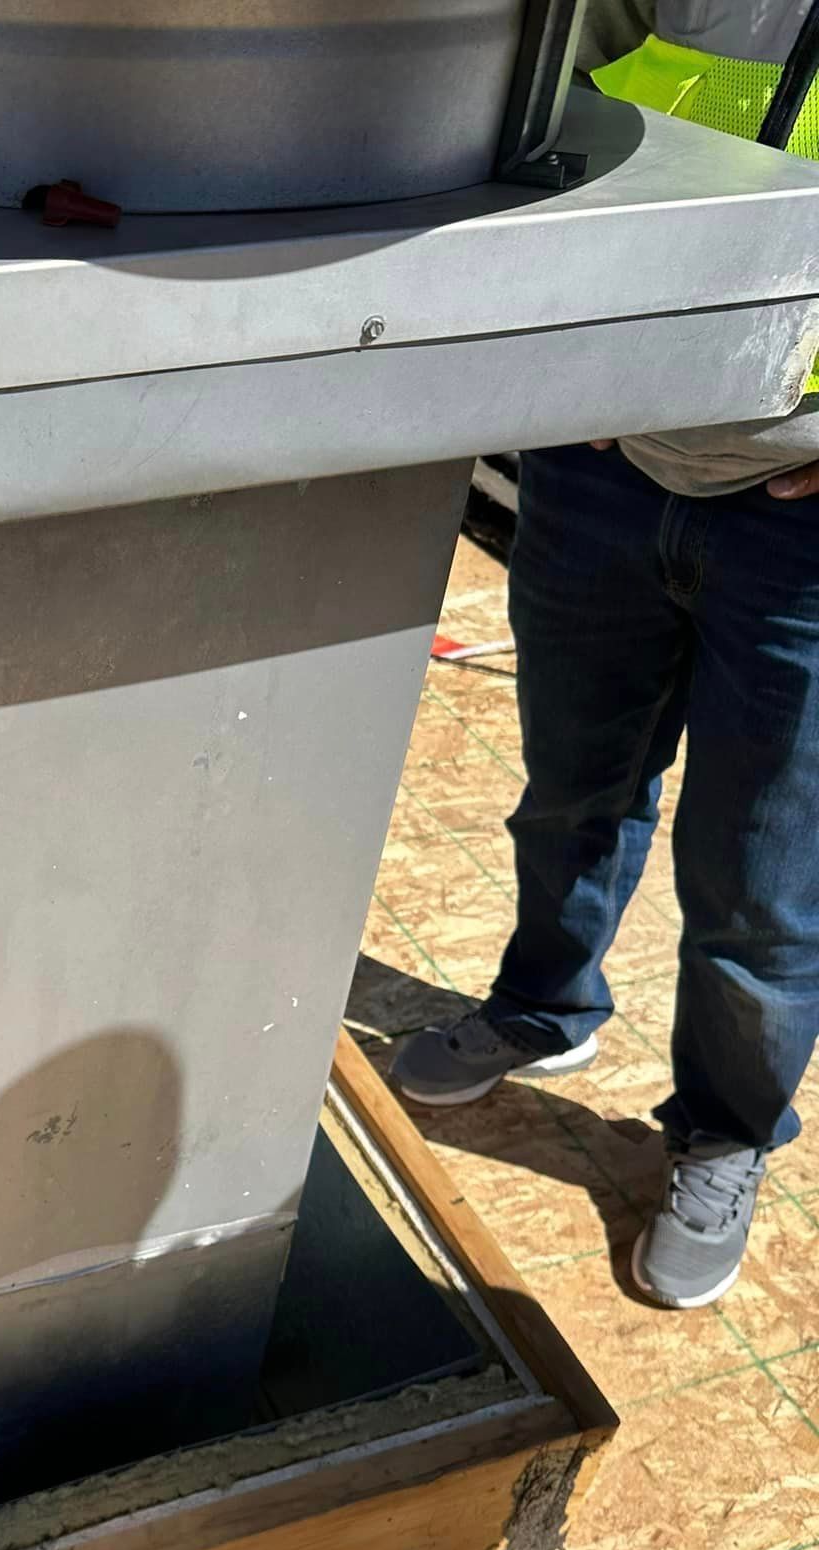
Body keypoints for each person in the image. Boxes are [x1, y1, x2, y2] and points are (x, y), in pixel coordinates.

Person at [393, 0, 819, 1311]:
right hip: (606, 466)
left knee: (763, 883)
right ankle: (544, 1006)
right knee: (575, 785)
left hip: (803, 515)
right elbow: (522, 122)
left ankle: (724, 1132)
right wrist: (559, 349)